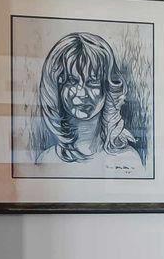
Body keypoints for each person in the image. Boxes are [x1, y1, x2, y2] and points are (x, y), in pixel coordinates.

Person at [34, 31, 146, 174]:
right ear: (57, 88)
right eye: (71, 81)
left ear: (108, 87)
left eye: (92, 82)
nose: (82, 93)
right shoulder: (46, 161)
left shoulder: (129, 160)